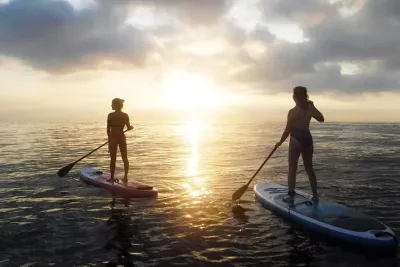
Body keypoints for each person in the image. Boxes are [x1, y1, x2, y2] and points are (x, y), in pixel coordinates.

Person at [275, 86, 324, 203]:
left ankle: (291, 195)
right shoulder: (310, 108)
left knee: (292, 168)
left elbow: (287, 130)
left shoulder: (292, 112)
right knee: (309, 168)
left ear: (294, 97)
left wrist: (280, 142)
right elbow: (321, 119)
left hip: (296, 140)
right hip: (307, 140)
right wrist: (313, 108)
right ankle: (315, 195)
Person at [107, 98, 134, 183]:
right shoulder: (125, 115)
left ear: (116, 105)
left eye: (112, 104)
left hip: (113, 137)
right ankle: (125, 177)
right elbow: (128, 127)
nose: (111, 105)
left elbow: (108, 129)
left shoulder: (110, 115)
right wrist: (130, 127)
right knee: (124, 157)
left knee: (113, 158)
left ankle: (111, 177)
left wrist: (109, 141)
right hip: (121, 137)